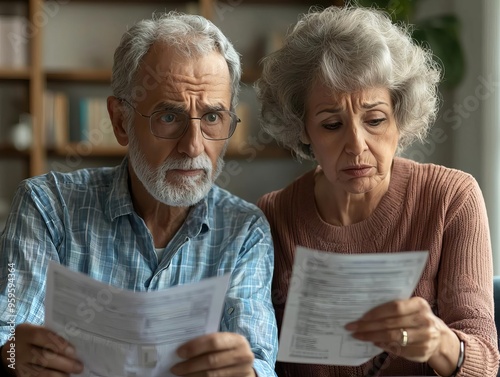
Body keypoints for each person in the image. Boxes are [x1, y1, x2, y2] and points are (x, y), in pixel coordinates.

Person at [0, 11, 277, 377]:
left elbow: (258, 358)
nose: (193, 147)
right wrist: (14, 357)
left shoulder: (244, 230)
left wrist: (247, 374)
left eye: (212, 118)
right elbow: (10, 327)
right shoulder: (47, 206)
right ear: (120, 122)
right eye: (168, 117)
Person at [256, 5, 499, 377]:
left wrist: (439, 342)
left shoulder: (450, 198)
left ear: (399, 117)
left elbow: (485, 361)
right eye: (332, 124)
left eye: (375, 120)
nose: (357, 145)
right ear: (302, 128)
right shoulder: (274, 217)